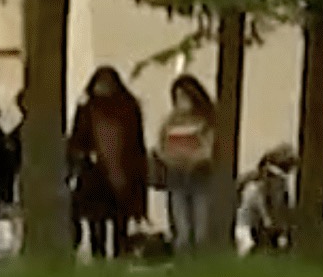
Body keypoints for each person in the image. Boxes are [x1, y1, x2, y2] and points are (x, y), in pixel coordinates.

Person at [70, 68, 150, 261]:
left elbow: (136, 143)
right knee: (96, 220)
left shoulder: (127, 108)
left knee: (119, 221)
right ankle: (100, 257)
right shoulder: (88, 108)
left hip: (121, 173)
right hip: (95, 173)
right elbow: (77, 139)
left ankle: (118, 256)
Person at [158, 75, 223, 255]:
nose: (181, 103)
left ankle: (200, 267)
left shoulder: (204, 121)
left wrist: (193, 157)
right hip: (176, 177)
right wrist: (168, 158)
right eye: (177, 97)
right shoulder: (170, 122)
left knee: (200, 229)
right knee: (182, 230)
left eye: (184, 97)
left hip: (199, 176)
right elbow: (162, 146)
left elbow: (208, 149)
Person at [235, 144, 300, 255]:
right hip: (248, 231)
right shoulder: (255, 188)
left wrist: (284, 231)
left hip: (266, 234)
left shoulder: (282, 188)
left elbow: (284, 212)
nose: (281, 184)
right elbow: (264, 217)